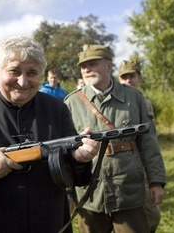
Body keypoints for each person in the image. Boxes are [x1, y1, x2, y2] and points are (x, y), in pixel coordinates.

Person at [0, 35, 100, 233]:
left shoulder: (56, 109)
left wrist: (79, 159)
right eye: (14, 71)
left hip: (48, 224)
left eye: (31, 73)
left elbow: (74, 175)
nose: (23, 82)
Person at [64, 45, 166, 233]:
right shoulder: (71, 102)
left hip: (128, 188)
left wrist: (156, 182)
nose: (86, 69)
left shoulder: (134, 97)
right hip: (90, 192)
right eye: (83, 66)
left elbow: (148, 143)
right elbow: (64, 154)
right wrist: (67, 193)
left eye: (92, 63)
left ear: (109, 66)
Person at [118, 60, 160, 232]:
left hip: (142, 163)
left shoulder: (144, 101)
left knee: (152, 216)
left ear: (139, 78)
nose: (128, 80)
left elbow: (150, 137)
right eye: (124, 77)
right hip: (122, 165)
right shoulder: (116, 100)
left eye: (132, 76)